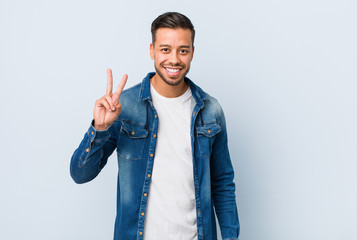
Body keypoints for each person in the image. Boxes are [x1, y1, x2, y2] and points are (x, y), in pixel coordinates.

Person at [70, 12, 240, 240]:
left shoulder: (211, 110)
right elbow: (80, 174)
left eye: (183, 50)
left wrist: (231, 237)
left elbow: (222, 184)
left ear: (192, 53)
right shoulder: (124, 108)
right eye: (165, 49)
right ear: (152, 50)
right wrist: (99, 129)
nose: (174, 59)